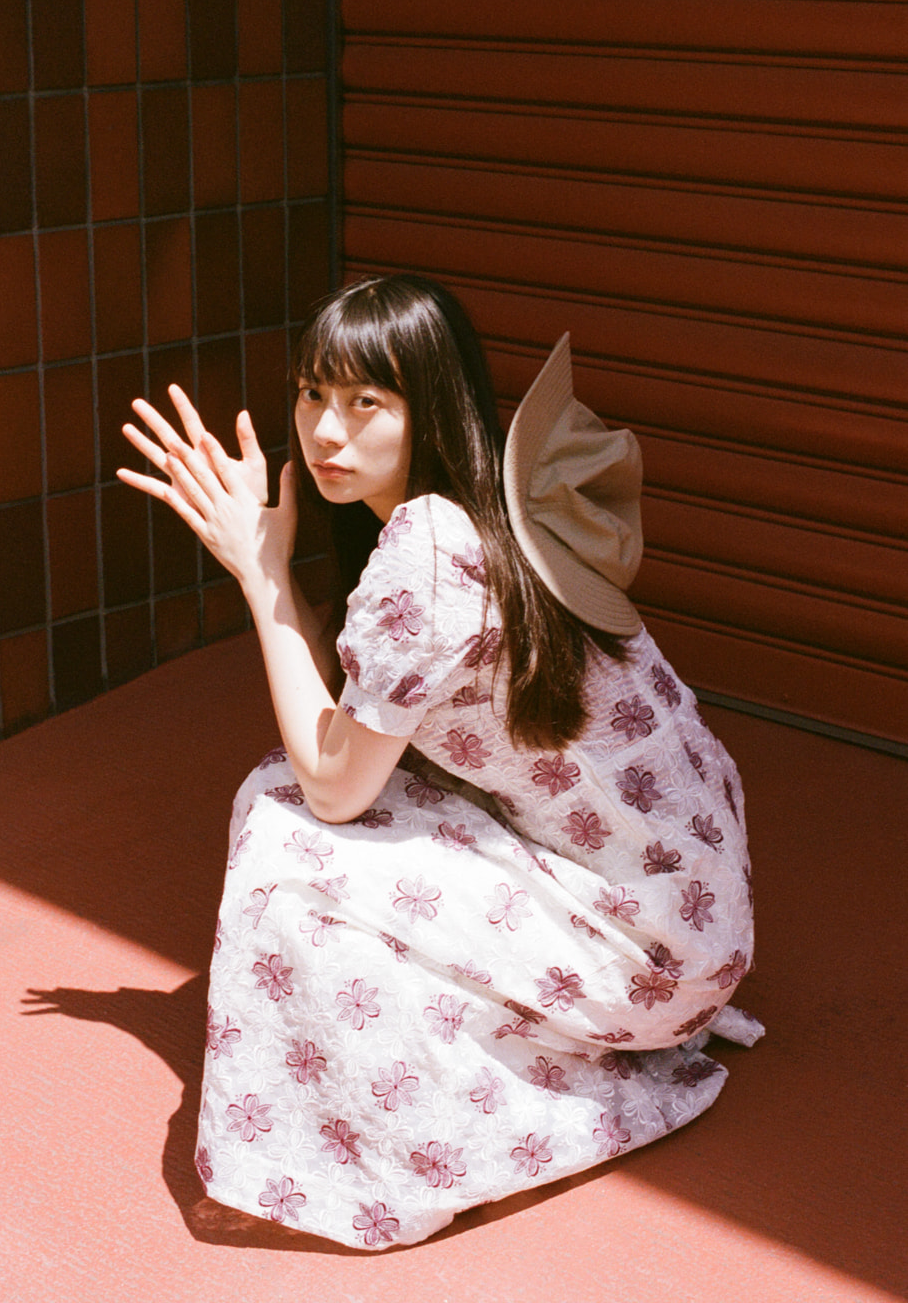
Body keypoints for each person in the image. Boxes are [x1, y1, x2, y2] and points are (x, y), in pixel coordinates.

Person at [118, 274, 760, 1251]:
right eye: (310, 393)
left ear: (430, 404)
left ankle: (420, 1135)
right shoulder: (484, 505)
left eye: (364, 401)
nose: (324, 431)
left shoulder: (423, 554)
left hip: (648, 959)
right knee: (365, 792)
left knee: (285, 822)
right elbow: (368, 726)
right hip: (697, 921)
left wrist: (262, 574)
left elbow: (333, 787)